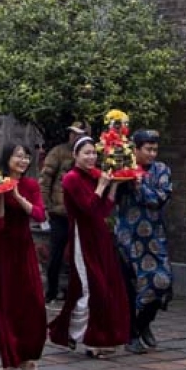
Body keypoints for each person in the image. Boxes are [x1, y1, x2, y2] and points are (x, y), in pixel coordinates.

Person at [47, 133, 131, 356]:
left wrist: (114, 186)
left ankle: (76, 333)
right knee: (90, 287)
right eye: (86, 153)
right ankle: (87, 337)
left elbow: (103, 211)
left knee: (104, 287)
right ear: (76, 155)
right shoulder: (71, 179)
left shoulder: (95, 176)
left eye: (94, 153)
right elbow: (88, 209)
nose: (91, 157)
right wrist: (102, 186)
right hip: (82, 238)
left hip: (100, 236)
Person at [0, 141, 47, 370]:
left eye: (26, 156)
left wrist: (17, 195)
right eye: (18, 156)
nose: (23, 160)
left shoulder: (31, 185)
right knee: (4, 301)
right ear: (7, 159)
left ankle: (26, 355)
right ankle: (3, 359)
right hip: (2, 248)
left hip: (24, 247)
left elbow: (39, 214)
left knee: (31, 301)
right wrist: (0, 195)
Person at [114, 128, 173, 352]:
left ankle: (143, 323)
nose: (152, 154)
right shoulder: (123, 169)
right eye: (148, 149)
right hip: (127, 237)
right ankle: (131, 336)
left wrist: (140, 185)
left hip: (154, 237)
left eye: (155, 150)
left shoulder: (161, 170)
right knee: (130, 287)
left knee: (162, 283)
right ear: (135, 150)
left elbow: (160, 198)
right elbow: (112, 197)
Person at [39, 123, 85, 303]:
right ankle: (52, 290)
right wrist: (45, 205)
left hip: (80, 212)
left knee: (79, 253)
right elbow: (45, 179)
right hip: (59, 211)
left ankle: (76, 289)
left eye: (79, 134)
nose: (74, 137)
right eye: (72, 133)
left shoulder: (89, 153)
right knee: (56, 253)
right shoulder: (58, 152)